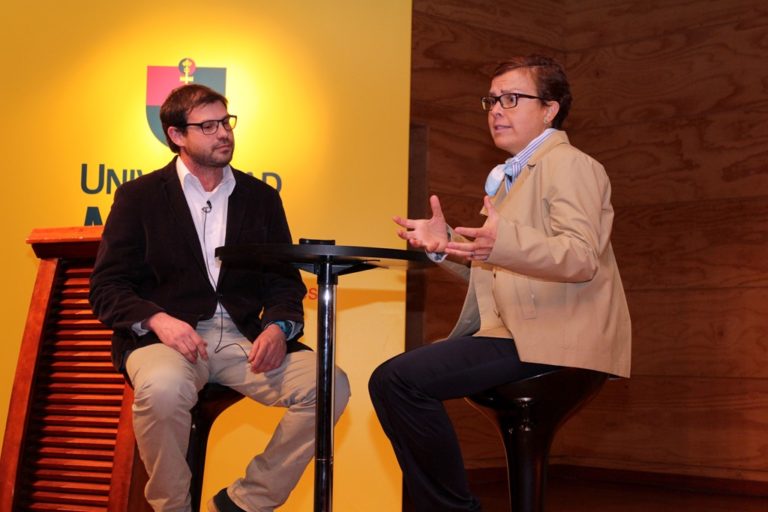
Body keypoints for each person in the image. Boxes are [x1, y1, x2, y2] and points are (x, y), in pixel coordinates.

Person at [368, 55, 631, 511]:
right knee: (395, 380)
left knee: (398, 380)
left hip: (554, 335)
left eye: (511, 99)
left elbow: (581, 256)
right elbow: (500, 263)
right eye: (491, 100)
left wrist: (501, 242)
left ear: (550, 109)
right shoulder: (515, 177)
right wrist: (446, 246)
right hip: (516, 333)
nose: (496, 110)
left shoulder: (570, 165)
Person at [90, 84, 350, 512]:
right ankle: (172, 507)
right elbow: (107, 286)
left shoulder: (260, 198)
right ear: (177, 135)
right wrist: (158, 320)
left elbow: (284, 283)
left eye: (226, 122)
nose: (224, 133)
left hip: (244, 339)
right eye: (208, 126)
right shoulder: (139, 197)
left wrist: (278, 328)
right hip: (167, 340)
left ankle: (243, 503)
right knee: (162, 389)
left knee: (329, 385)